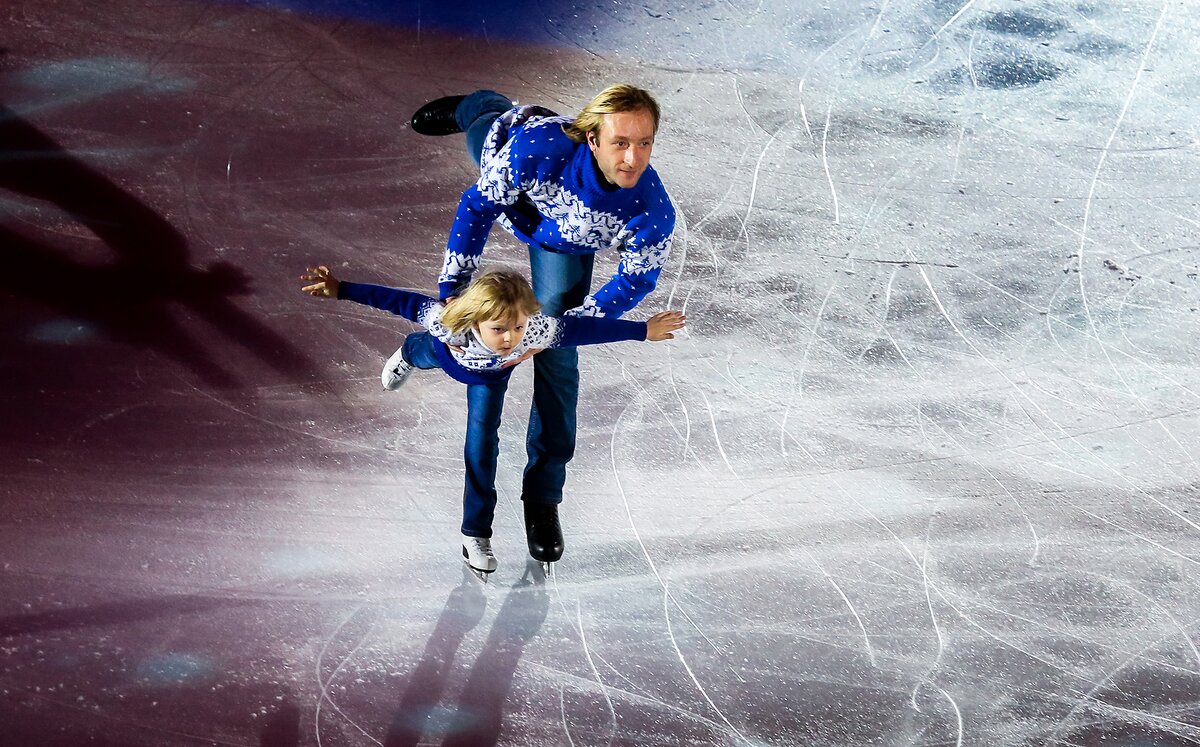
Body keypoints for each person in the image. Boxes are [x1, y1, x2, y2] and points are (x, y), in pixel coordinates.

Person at [407, 84, 676, 567]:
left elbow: (635, 280)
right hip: (518, 181)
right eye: (620, 142)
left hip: (562, 245)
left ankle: (544, 497)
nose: (633, 158)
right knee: (482, 131)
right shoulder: (535, 150)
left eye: (644, 143)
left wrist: (563, 329)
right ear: (592, 138)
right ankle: (475, 104)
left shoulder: (651, 211)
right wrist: (452, 291)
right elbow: (476, 206)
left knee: (559, 358)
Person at [300, 265, 685, 576]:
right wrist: (340, 288)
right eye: (499, 329)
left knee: (481, 448)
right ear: (477, 320)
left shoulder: (533, 329)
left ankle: (474, 534)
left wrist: (641, 331)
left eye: (516, 327)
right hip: (447, 355)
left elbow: (584, 330)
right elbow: (394, 300)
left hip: (488, 380)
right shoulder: (446, 322)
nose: (510, 338)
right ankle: (407, 353)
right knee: (421, 352)